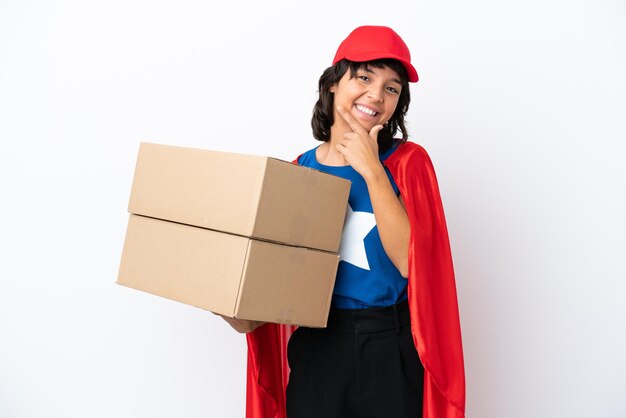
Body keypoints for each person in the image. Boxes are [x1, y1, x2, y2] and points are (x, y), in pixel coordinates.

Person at [223, 25, 465, 418]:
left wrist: (372, 170)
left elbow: (411, 263)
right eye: (365, 77)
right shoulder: (298, 172)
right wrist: (226, 300)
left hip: (390, 346)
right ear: (334, 83)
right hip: (320, 347)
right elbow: (266, 306)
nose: (376, 95)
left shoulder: (407, 164)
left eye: (392, 87)